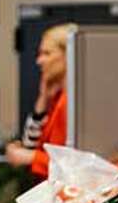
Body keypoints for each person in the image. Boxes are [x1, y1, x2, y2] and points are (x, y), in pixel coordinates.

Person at [6, 23, 75, 178]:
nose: (39, 61)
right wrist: (42, 100)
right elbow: (30, 144)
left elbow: (73, 164)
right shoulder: (57, 99)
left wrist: (29, 157)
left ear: (68, 54)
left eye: (47, 53)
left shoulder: (72, 103)